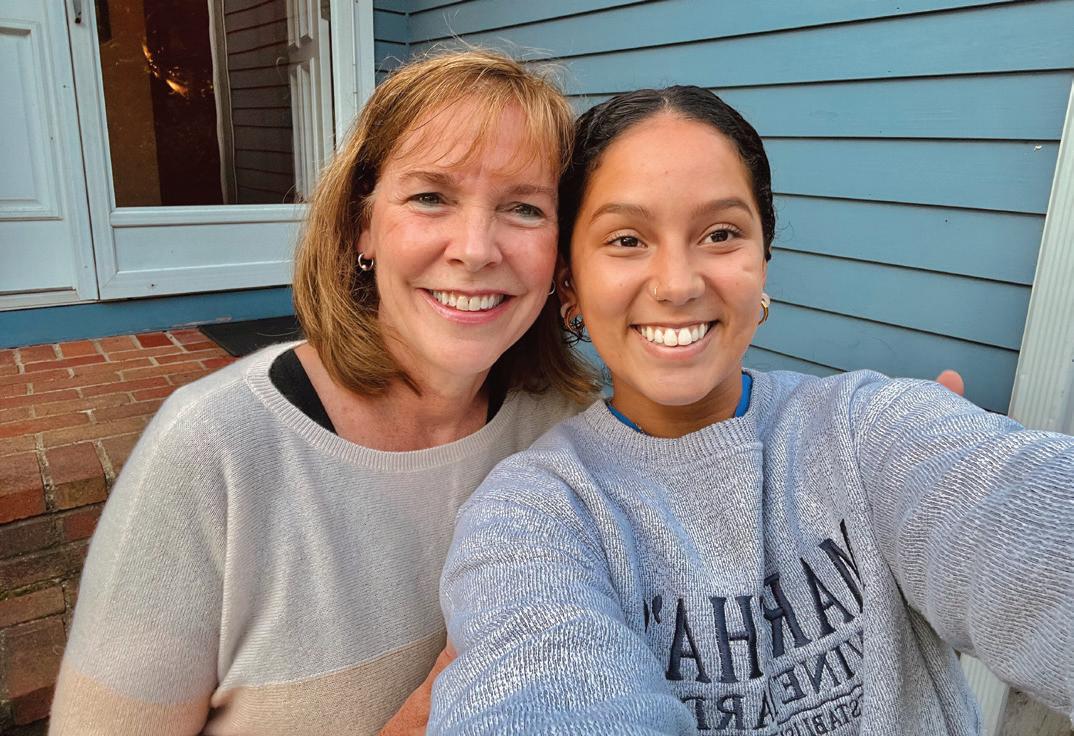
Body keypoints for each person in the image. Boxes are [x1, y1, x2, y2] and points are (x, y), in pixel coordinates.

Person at [429, 86, 1074, 735]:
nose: (677, 284)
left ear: (762, 260)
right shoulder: (533, 514)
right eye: (626, 239)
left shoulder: (865, 432)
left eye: (720, 234)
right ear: (570, 283)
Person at [48, 50, 598, 736]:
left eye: (523, 207)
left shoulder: (567, 434)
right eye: (431, 197)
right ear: (363, 224)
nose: (476, 248)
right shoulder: (215, 450)